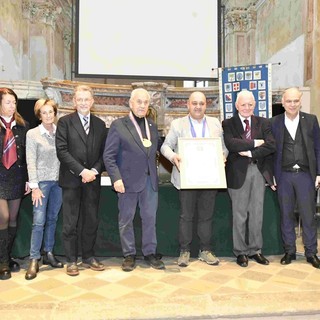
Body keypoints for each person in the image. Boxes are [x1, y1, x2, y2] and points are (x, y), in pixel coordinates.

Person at [160, 91, 228, 267]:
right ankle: (185, 251)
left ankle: (205, 250)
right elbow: (165, 147)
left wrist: (223, 156)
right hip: (186, 178)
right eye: (194, 103)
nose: (198, 106)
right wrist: (174, 157)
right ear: (188, 105)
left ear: (206, 105)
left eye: (202, 103)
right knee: (186, 216)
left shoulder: (215, 124)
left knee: (206, 216)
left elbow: (224, 148)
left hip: (210, 178)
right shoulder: (177, 124)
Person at [103, 88, 165, 272]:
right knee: (126, 220)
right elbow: (108, 156)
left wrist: (177, 154)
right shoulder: (118, 125)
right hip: (127, 182)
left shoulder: (152, 126)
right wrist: (116, 179)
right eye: (139, 102)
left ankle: (149, 253)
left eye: (146, 102)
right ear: (130, 104)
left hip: (150, 182)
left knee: (149, 219)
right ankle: (129, 254)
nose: (142, 105)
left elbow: (161, 149)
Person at [56, 85, 108, 276]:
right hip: (71, 180)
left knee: (91, 221)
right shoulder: (64, 122)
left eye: (87, 99)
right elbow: (62, 151)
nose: (84, 103)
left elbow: (105, 154)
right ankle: (71, 260)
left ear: (92, 102)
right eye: (80, 99)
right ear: (74, 102)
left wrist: (93, 170)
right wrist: (82, 171)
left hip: (92, 181)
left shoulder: (100, 125)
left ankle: (88, 256)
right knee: (70, 223)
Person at [222, 90, 275, 267]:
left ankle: (255, 250)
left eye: (250, 104)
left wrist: (251, 151)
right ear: (236, 105)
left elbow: (271, 145)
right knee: (239, 215)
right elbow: (232, 144)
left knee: (257, 214)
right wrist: (255, 142)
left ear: (254, 105)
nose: (246, 108)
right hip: (237, 174)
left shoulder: (264, 122)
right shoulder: (228, 123)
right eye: (243, 104)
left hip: (258, 172)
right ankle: (241, 252)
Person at [270, 87, 320, 269]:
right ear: (282, 103)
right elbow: (269, 152)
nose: (292, 104)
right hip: (283, 176)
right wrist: (271, 176)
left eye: (295, 101)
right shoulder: (274, 123)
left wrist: (319, 173)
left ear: (300, 102)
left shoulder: (311, 120)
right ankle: (289, 251)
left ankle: (311, 252)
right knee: (286, 215)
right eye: (289, 101)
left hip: (306, 175)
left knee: (308, 216)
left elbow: (318, 148)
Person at [25, 99, 63, 280]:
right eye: (44, 112)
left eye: (51, 112)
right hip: (41, 184)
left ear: (55, 114)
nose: (48, 116)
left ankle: (48, 253)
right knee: (38, 222)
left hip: (58, 183)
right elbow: (30, 161)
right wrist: (34, 186)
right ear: (39, 115)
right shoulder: (32, 134)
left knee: (53, 219)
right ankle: (34, 258)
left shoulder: (60, 133)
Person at [0, 88, 30, 280]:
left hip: (17, 177)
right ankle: (3, 262)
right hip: (0, 178)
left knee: (13, 219)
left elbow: (27, 156)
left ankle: (6, 256)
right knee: (3, 217)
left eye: (14, 102)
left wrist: (28, 179)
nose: (12, 106)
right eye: (8, 102)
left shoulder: (23, 126)